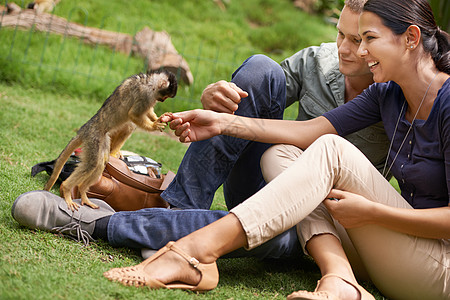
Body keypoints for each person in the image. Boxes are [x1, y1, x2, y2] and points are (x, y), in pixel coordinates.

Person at [98, 0, 449, 299]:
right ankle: (340, 277)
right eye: (350, 37)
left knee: (329, 150)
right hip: (384, 245)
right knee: (281, 154)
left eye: (368, 39)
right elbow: (307, 130)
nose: (357, 51)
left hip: (438, 267)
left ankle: (195, 250)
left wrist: (373, 213)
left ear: (411, 38)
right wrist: (222, 122)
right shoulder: (387, 94)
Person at [12, 0, 390, 262]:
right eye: (340, 33)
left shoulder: (396, 92)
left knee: (270, 229)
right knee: (260, 69)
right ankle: (181, 207)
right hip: (269, 178)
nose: (342, 48)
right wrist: (215, 96)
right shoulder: (319, 59)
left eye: (358, 40)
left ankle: (98, 224)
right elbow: (258, 95)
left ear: (382, 40)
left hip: (317, 219)